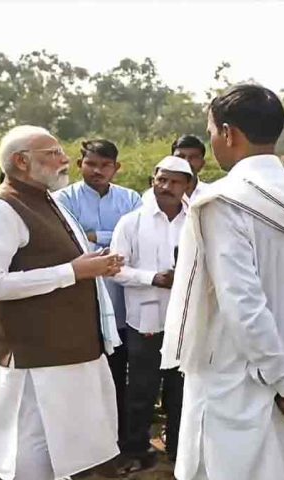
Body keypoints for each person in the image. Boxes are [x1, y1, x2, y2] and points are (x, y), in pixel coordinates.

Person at [160, 84, 284, 480]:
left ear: (229, 133)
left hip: (233, 382)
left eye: (212, 131)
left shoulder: (223, 201)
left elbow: (242, 303)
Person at [0, 125, 125, 480]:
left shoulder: (46, 199)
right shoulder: (0, 208)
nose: (65, 159)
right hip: (36, 362)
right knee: (33, 457)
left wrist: (91, 266)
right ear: (22, 162)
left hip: (74, 353)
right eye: (52, 153)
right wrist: (71, 272)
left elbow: (62, 263)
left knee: (79, 454)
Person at [54, 138, 141, 453]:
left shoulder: (131, 199)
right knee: (80, 376)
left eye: (105, 165)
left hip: (120, 303)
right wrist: (112, 240)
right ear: (80, 165)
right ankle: (79, 447)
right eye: (91, 164)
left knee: (117, 375)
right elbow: (68, 243)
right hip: (79, 304)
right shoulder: (62, 199)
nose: (98, 171)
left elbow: (135, 242)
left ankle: (115, 443)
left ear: (117, 168)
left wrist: (95, 236)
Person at [109, 156, 192, 470]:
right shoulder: (132, 222)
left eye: (174, 181)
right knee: (141, 391)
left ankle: (179, 450)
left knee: (180, 389)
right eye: (161, 180)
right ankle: (136, 451)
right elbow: (115, 269)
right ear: (152, 181)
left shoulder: (195, 220)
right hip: (146, 320)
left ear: (187, 185)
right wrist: (153, 278)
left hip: (185, 321)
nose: (166, 187)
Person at [171, 134, 208, 201]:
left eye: (193, 157)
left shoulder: (212, 194)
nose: (186, 162)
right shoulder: (154, 197)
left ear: (202, 163)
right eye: (180, 157)